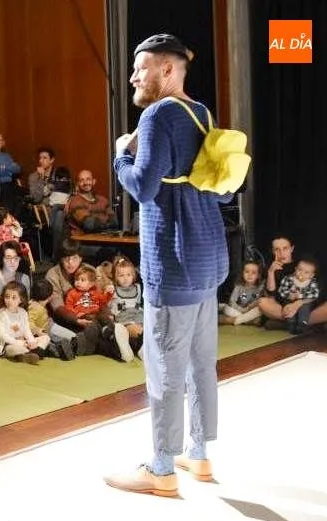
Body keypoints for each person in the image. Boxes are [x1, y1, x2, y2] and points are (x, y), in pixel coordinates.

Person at [105, 34, 232, 496]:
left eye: (141, 68)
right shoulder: (202, 112)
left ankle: (160, 467)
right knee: (202, 363)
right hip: (207, 254)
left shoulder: (156, 113)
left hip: (174, 259)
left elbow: (143, 188)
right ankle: (197, 454)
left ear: (167, 70)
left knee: (163, 366)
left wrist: (121, 152)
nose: (134, 76)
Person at [0, 282, 48, 364]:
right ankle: (29, 353)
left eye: (13, 297)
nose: (9, 300)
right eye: (7, 297)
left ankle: (28, 353)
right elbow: (3, 336)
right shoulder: (1, 314)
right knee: (13, 349)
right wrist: (21, 343)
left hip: (24, 342)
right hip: (8, 345)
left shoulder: (23, 312)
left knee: (45, 337)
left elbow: (26, 330)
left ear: (21, 299)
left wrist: (31, 341)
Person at [274, 258, 320, 334]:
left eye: (306, 272)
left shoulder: (312, 282)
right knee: (288, 308)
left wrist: (300, 295)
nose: (301, 273)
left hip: (304, 302)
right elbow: (281, 290)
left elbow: (315, 294)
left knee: (305, 308)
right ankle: (291, 323)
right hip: (290, 300)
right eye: (299, 270)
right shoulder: (289, 279)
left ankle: (302, 323)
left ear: (312, 275)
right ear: (295, 269)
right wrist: (289, 295)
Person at [218, 260, 264, 326]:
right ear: (242, 273)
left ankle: (232, 319)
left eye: (253, 273)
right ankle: (247, 320)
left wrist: (248, 309)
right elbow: (232, 302)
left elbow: (256, 303)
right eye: (247, 272)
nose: (249, 275)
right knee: (227, 309)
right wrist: (243, 310)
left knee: (259, 312)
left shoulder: (259, 289)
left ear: (258, 275)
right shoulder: (238, 286)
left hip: (249, 312)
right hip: (236, 310)